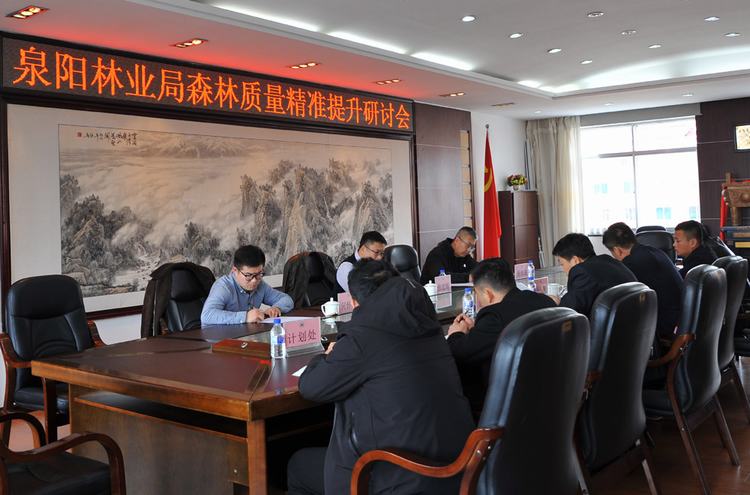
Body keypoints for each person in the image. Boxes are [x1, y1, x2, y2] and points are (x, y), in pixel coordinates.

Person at [287, 259, 474, 495]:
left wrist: (323, 357)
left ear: (354, 302)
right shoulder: (427, 324)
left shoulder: (363, 336)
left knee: (298, 466)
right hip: (454, 469)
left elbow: (311, 386)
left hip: (397, 477)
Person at [447, 258, 555, 411]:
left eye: (477, 293)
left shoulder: (495, 317)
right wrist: (477, 329)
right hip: (549, 396)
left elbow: (460, 353)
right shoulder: (544, 301)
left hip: (510, 406)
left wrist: (456, 334)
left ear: (488, 293)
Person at [603, 222, 682, 338]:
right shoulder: (655, 251)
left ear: (617, 250)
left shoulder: (631, 264)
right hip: (680, 318)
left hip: (665, 326)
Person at [200, 245, 293, 325]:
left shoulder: (260, 285)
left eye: (259, 274)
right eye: (248, 275)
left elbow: (286, 299)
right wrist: (246, 316)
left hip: (247, 335)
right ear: (235, 271)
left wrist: (276, 308)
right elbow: (207, 316)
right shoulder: (224, 287)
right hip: (221, 338)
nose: (254, 280)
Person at [553, 233, 636, 316]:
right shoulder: (609, 260)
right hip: (633, 320)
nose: (563, 269)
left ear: (575, 260)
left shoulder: (582, 271)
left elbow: (567, 312)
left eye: (562, 264)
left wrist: (555, 302)